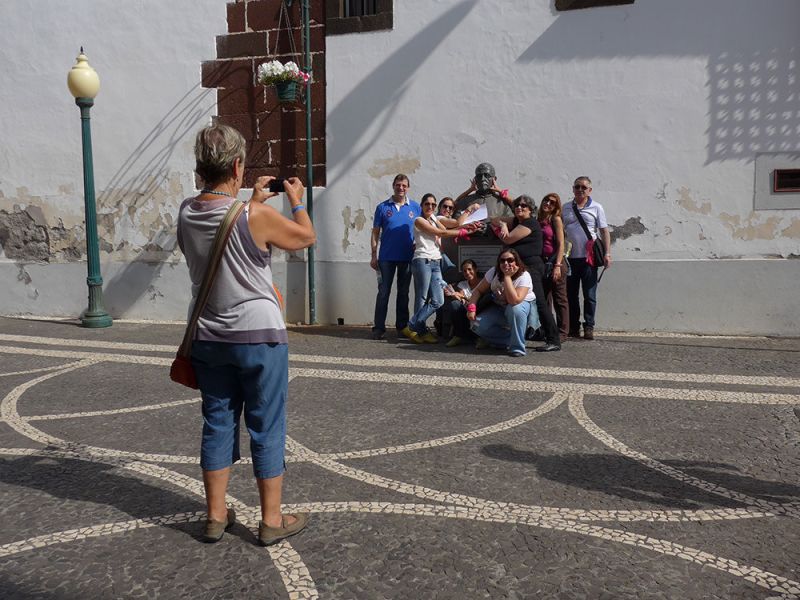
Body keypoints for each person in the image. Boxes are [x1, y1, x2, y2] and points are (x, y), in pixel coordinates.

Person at [177, 124, 315, 546]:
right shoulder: (256, 216)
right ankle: (272, 519)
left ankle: (216, 515)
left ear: (201, 168)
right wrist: (295, 202)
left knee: (217, 421)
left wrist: (251, 200)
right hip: (259, 335)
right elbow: (304, 238)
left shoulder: (185, 211)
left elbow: (224, 231)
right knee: (266, 424)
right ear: (237, 166)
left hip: (209, 335)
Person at [402, 193, 474, 343]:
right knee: (422, 297)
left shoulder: (434, 218)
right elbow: (441, 233)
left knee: (438, 300)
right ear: (421, 206)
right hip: (423, 260)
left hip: (436, 261)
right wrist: (463, 232)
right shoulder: (419, 220)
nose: (430, 207)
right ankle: (420, 331)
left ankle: (412, 326)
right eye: (427, 204)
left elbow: (450, 226)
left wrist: (467, 226)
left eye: (433, 205)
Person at [494, 195, 561, 352]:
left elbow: (508, 239)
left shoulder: (530, 223)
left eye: (524, 206)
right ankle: (539, 332)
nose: (519, 208)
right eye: (517, 205)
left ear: (531, 210)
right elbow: (494, 219)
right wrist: (504, 222)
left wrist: (504, 227)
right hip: (520, 268)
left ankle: (554, 340)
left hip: (532, 267)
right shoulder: (518, 222)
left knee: (540, 303)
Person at [370, 174, 421, 340]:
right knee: (383, 292)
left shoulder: (415, 207)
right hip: (386, 258)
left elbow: (421, 229)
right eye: (398, 185)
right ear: (393, 186)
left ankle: (402, 327)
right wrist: (373, 255)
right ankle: (378, 328)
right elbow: (375, 233)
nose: (401, 188)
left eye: (404, 185)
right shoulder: (382, 207)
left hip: (407, 257)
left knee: (403, 293)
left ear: (408, 187)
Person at [562, 176, 611, 340]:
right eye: (577, 187)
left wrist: (607, 253)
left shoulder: (597, 207)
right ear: (573, 189)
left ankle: (589, 326)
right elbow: (561, 230)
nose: (580, 190)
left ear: (590, 190)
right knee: (571, 295)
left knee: (589, 295)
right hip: (570, 258)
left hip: (589, 259)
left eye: (584, 187)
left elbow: (604, 231)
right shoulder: (566, 207)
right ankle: (574, 327)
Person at [466, 248, 539, 357]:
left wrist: (507, 277)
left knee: (515, 309)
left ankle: (517, 347)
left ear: (516, 261)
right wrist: (471, 308)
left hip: (519, 309)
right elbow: (478, 290)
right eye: (502, 260)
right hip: (499, 308)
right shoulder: (494, 272)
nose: (506, 263)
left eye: (510, 260)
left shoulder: (524, 276)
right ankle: (509, 340)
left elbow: (515, 300)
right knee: (475, 325)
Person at [538, 193, 570, 342]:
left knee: (559, 298)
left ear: (556, 207)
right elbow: (518, 204)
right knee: (545, 299)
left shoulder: (555, 219)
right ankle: (548, 329)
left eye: (552, 203)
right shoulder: (538, 219)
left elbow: (561, 244)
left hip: (555, 262)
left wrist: (557, 265)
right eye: (546, 200)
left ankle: (563, 332)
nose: (548, 204)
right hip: (543, 263)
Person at [443, 259, 483, 347]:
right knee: (455, 304)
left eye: (470, 269)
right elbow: (460, 298)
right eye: (464, 271)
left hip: (480, 311)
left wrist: (463, 297)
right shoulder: (462, 284)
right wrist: (453, 294)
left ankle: (480, 337)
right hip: (466, 312)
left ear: (476, 269)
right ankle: (458, 336)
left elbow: (480, 301)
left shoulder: (483, 282)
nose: (467, 273)